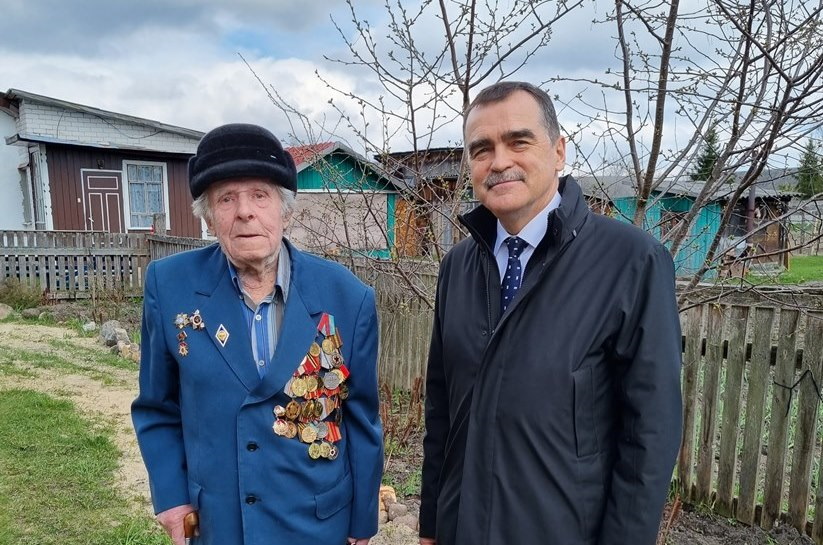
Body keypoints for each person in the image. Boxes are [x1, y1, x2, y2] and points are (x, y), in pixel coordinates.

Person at [419, 82, 682, 545]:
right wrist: (432, 523)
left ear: (559, 151)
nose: (499, 162)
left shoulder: (631, 262)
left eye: (518, 141)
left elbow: (650, 433)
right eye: (482, 149)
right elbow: (441, 410)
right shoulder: (457, 267)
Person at [132, 123, 383, 545]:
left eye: (259, 195)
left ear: (285, 210)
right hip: (220, 524)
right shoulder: (170, 285)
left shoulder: (347, 296)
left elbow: (362, 417)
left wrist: (362, 522)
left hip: (316, 525)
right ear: (209, 217)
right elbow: (157, 407)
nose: (244, 212)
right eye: (226, 198)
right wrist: (172, 499)